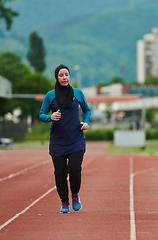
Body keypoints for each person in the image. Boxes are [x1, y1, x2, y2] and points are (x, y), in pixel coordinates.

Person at [39, 64, 91, 213]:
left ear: (69, 76)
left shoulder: (78, 93)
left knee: (74, 169)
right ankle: (64, 201)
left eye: (66, 74)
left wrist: (86, 122)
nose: (64, 77)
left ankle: (75, 195)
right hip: (57, 142)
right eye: (61, 75)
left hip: (76, 139)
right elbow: (41, 115)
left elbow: (87, 110)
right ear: (57, 77)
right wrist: (50, 117)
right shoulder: (50, 96)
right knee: (60, 173)